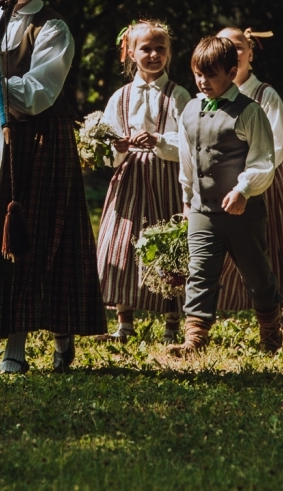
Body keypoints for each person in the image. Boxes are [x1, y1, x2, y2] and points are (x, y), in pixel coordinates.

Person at [0, 0, 107, 373]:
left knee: (42, 236)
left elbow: (41, 91)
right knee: (5, 242)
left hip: (42, 143)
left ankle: (62, 335)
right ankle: (14, 345)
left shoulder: (53, 28)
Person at [168, 35, 283, 355]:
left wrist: (243, 190)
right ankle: (195, 339)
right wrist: (187, 198)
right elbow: (187, 159)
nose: (203, 82)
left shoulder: (249, 112)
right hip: (202, 210)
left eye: (211, 75)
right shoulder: (190, 110)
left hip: (242, 212)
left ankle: (271, 331)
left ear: (232, 73)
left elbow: (263, 160)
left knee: (256, 274)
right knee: (200, 273)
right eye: (198, 75)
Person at [94, 20, 192, 343]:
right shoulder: (119, 98)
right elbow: (103, 147)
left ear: (169, 53)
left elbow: (190, 143)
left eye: (160, 48)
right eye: (146, 49)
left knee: (169, 246)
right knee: (122, 243)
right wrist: (117, 149)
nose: (153, 55)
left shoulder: (178, 95)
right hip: (129, 180)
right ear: (131, 54)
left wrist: (161, 141)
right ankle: (124, 322)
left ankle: (172, 322)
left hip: (165, 179)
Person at [213, 26, 283, 320]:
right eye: (224, 46)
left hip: (264, 179)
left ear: (251, 54)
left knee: (272, 238)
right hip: (225, 178)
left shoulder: (263, 94)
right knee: (228, 238)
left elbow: (278, 143)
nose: (232, 52)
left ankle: (281, 305)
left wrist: (254, 176)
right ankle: (231, 303)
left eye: (239, 47)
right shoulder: (212, 94)